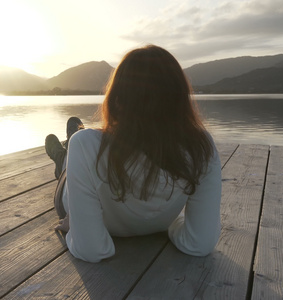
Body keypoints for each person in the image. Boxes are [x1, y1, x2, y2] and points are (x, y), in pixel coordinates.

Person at [45, 45, 221, 263]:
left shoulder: (86, 145)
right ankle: (64, 154)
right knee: (75, 151)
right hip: (79, 169)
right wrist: (174, 222)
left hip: (70, 193)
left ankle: (65, 153)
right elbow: (199, 243)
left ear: (117, 100)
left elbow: (92, 249)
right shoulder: (200, 148)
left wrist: (75, 227)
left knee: (76, 149)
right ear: (180, 103)